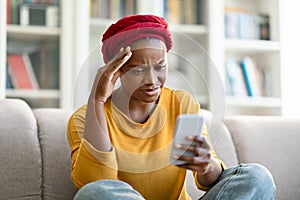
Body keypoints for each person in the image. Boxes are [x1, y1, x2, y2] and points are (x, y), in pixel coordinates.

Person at [67, 14, 275, 200]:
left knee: (257, 178)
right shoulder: (84, 118)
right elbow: (96, 182)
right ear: (116, 71)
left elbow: (208, 181)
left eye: (160, 67)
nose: (152, 80)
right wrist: (97, 100)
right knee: (94, 194)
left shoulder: (181, 104)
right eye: (138, 70)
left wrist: (205, 163)